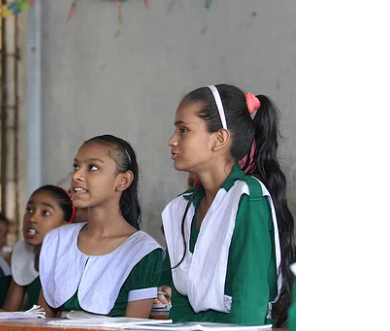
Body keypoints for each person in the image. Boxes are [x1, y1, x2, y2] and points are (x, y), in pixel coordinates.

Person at [161, 84, 295, 326]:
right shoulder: (180, 209)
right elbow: (180, 304)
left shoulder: (247, 198)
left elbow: (250, 303)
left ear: (220, 138)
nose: (172, 141)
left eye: (184, 130)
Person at [39, 135, 164, 318]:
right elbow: (42, 320)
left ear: (123, 181)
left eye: (93, 167)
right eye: (76, 166)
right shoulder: (57, 240)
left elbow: (133, 327)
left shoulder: (142, 251)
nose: (76, 176)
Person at [3, 185, 74, 312]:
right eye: (29, 210)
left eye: (45, 213)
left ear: (65, 224)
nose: (32, 219)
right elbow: (10, 311)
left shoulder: (71, 258)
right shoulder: (23, 252)